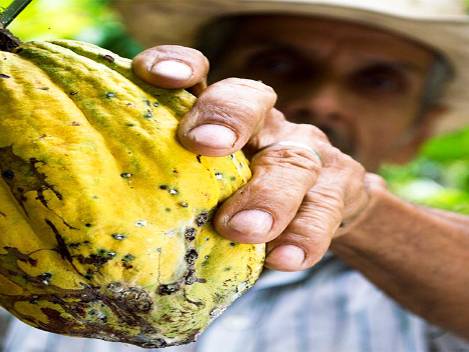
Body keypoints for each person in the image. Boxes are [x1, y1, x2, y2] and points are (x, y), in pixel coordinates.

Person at [2, 0, 469, 351]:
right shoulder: (31, 194)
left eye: (379, 80)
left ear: (419, 132)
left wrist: (362, 209)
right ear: (203, 78)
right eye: (278, 63)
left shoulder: (427, 292)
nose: (323, 101)